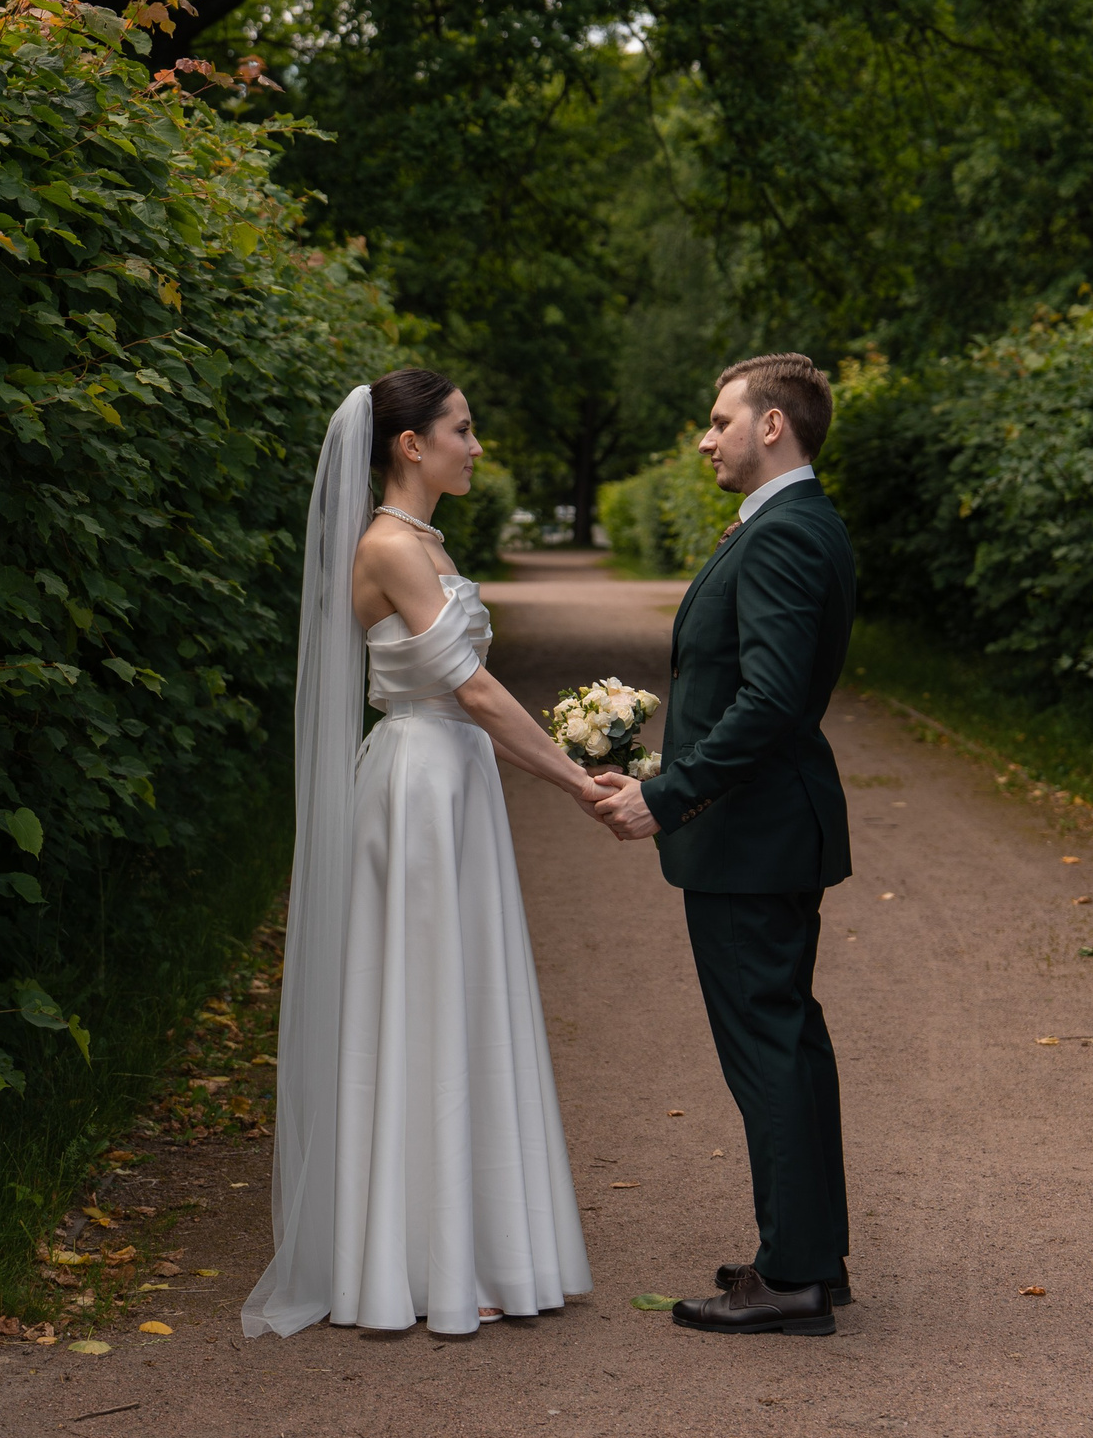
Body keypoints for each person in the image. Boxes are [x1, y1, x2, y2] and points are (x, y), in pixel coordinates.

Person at [242, 369, 604, 1338]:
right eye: (461, 429)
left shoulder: (424, 542)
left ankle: (470, 1246)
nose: (474, 446)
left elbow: (474, 706)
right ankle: (421, 1261)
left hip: (454, 780)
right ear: (411, 444)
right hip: (418, 784)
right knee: (425, 999)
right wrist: (576, 783)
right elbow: (475, 692)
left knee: (460, 997)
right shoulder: (390, 546)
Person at [593, 353, 858, 1337]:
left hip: (753, 838)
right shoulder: (786, 524)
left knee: (770, 1051)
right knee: (786, 1044)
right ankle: (806, 1258)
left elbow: (773, 701)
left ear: (772, 427)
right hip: (760, 833)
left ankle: (791, 1278)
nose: (706, 439)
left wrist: (673, 792)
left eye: (718, 420)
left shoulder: (787, 533)